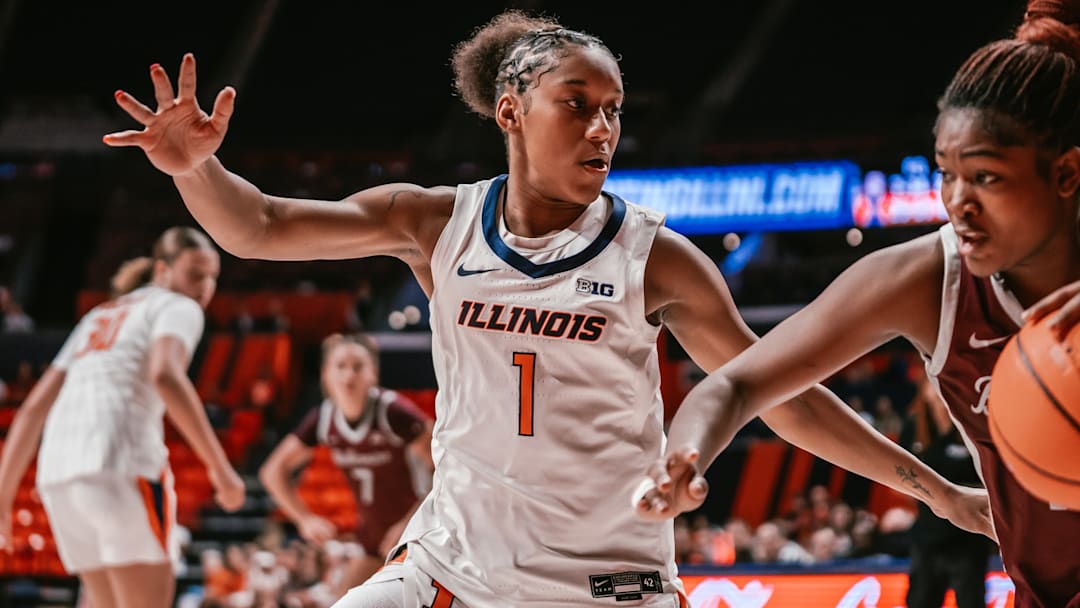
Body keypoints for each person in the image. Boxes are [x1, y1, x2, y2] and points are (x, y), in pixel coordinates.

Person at [104, 10, 991, 606]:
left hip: (602, 583)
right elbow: (258, 228)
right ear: (510, 111)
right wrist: (195, 169)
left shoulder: (656, 257)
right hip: (452, 566)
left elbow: (778, 393)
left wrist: (935, 489)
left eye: (612, 111)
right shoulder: (432, 223)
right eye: (578, 107)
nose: (603, 129)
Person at [635, 1, 1080, 605]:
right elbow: (737, 385)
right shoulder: (928, 277)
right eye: (947, 174)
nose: (958, 202)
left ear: (1067, 174)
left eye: (987, 178)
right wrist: (684, 454)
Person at [0, 226, 246, 608]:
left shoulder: (100, 315)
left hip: (59, 476)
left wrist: (3, 494)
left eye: (212, 276)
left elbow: (33, 409)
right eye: (195, 273)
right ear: (162, 270)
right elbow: (165, 375)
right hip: (121, 463)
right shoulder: (177, 305)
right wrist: (219, 467)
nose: (205, 286)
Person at [259, 332, 434, 604]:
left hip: (417, 536)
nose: (349, 376)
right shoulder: (323, 418)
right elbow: (272, 472)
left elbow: (447, 468)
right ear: (325, 375)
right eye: (340, 366)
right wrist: (304, 518)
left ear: (373, 373)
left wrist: (407, 523)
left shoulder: (394, 412)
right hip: (373, 540)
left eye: (357, 366)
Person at [900, 376, 993, 608]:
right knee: (920, 601)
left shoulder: (970, 427)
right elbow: (899, 475)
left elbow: (988, 481)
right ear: (924, 390)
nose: (936, 391)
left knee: (971, 601)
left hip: (967, 536)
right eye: (930, 384)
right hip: (928, 535)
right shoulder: (914, 427)